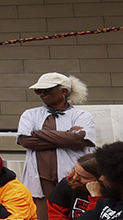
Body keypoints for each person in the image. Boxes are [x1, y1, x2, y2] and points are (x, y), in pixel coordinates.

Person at [16, 72, 95, 201]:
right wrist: (66, 136)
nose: (42, 94)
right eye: (39, 91)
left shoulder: (82, 115)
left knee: (72, 209)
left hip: (72, 174)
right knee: (44, 214)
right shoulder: (30, 114)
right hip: (41, 176)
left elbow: (79, 140)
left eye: (46, 90)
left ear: (64, 91)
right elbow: (25, 141)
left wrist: (40, 133)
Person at [45, 155, 104, 220]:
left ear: (101, 179)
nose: (75, 177)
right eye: (74, 171)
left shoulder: (111, 193)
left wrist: (96, 197)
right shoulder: (67, 183)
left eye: (83, 177)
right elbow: (56, 215)